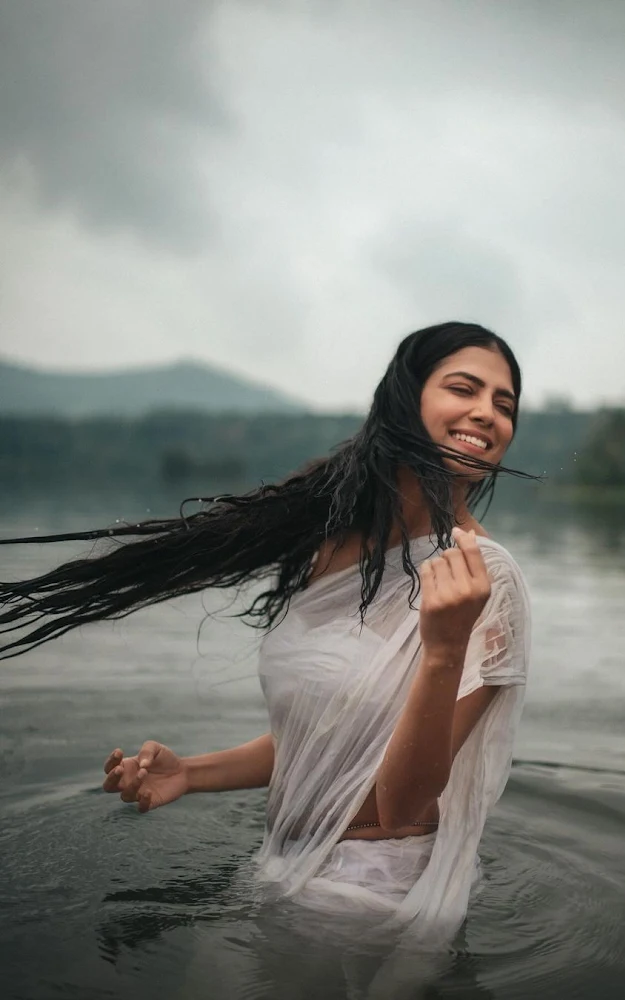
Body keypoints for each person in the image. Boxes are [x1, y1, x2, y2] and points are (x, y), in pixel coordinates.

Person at [0, 321, 533, 953]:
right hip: (278, 865)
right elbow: (327, 743)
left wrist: (444, 652)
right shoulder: (333, 544)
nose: (486, 414)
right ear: (406, 398)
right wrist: (192, 773)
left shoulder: (484, 579)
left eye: (504, 404)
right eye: (465, 388)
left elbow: (402, 805)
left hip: (374, 899)